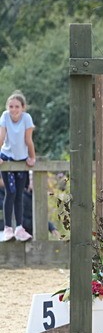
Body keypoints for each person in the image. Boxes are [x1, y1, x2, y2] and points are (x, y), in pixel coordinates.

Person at [0, 91, 37, 243]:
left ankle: (19, 228)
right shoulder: (4, 116)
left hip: (21, 159)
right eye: (11, 106)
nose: (13, 110)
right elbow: (1, 137)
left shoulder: (26, 118)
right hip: (7, 157)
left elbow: (28, 139)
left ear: (23, 107)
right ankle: (8, 228)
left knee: (20, 194)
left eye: (17, 107)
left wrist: (32, 157)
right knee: (11, 192)